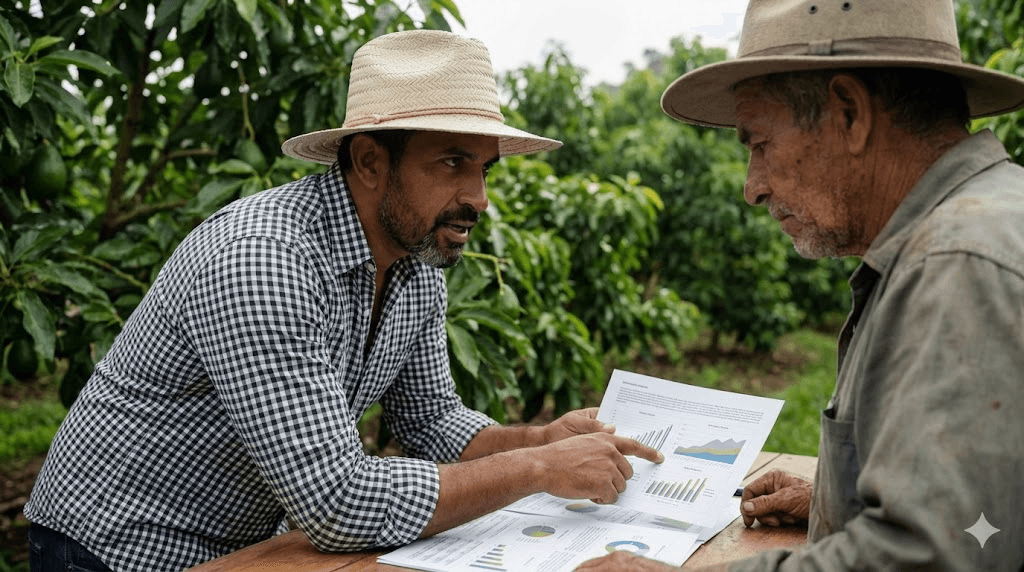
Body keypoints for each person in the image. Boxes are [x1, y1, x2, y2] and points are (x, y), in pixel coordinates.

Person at [24, 30, 662, 572]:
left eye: (485, 169)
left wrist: (536, 437)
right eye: (451, 162)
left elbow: (429, 419)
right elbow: (337, 503)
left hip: (248, 544)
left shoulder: (417, 264)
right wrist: (540, 467)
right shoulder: (265, 259)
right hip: (116, 547)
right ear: (366, 162)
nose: (478, 198)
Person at [577, 0, 1024, 570]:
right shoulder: (973, 229)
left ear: (848, 112)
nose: (752, 187)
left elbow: (933, 557)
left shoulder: (957, 265)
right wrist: (841, 502)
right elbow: (987, 507)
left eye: (759, 144)